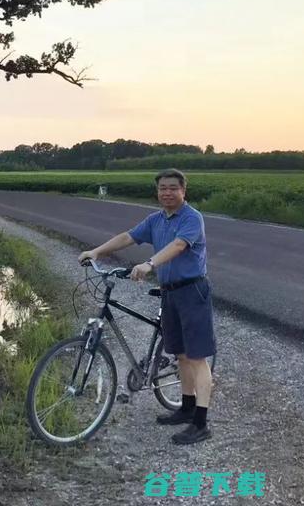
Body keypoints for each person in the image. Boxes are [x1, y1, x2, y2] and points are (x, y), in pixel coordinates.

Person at [78, 168, 216, 445]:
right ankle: (186, 407)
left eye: (172, 188)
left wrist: (149, 264)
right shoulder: (156, 219)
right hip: (170, 293)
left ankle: (201, 423)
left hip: (192, 292)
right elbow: (128, 237)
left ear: (183, 190)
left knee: (196, 357)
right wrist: (96, 251)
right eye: (162, 188)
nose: (166, 193)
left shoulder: (192, 218)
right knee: (180, 354)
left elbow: (179, 245)